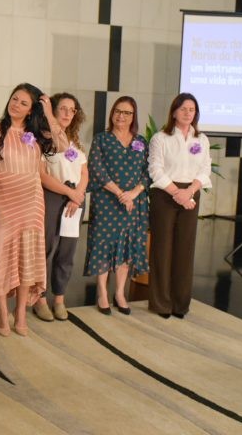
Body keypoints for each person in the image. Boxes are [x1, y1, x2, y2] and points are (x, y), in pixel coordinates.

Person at [0, 83, 68, 336]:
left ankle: (21, 313)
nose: (16, 104)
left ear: (31, 110)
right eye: (14, 99)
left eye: (23, 103)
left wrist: (49, 113)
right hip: (1, 198)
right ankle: (2, 311)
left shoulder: (36, 132)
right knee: (0, 253)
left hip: (31, 199)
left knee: (27, 256)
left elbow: (62, 146)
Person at [148, 92, 212, 319]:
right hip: (165, 195)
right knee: (162, 249)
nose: (187, 113)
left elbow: (205, 169)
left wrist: (189, 191)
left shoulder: (201, 139)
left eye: (192, 110)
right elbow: (155, 169)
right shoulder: (160, 138)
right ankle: (161, 303)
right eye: (183, 109)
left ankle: (180, 304)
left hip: (191, 194)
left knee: (185, 249)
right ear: (174, 111)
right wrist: (177, 192)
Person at [84, 96, 149, 316]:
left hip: (133, 204)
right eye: (118, 111)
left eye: (127, 113)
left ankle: (120, 292)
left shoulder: (140, 141)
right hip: (107, 201)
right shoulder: (102, 139)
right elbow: (96, 168)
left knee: (127, 248)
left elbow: (147, 172)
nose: (121, 116)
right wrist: (121, 193)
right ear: (112, 113)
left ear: (133, 117)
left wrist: (133, 193)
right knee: (104, 246)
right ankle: (102, 292)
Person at [32, 93, 88, 322]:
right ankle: (40, 298)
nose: (67, 113)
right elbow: (42, 176)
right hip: (52, 196)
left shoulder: (73, 140)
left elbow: (84, 172)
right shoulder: (42, 139)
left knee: (67, 252)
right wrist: (69, 193)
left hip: (74, 200)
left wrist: (78, 196)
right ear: (52, 111)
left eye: (71, 109)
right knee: (45, 248)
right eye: (62, 108)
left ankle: (60, 299)